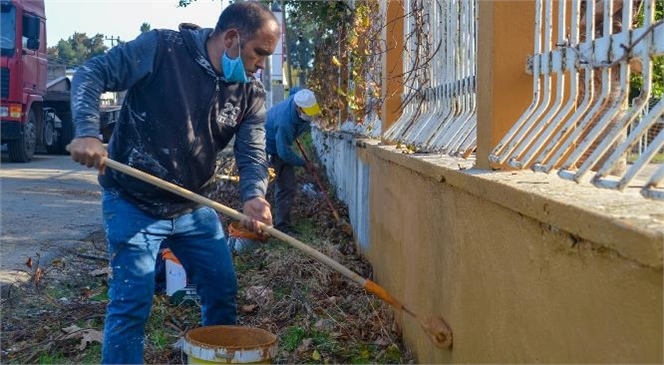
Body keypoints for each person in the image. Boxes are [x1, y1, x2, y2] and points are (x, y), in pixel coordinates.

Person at [67, 2, 279, 363]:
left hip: (193, 206)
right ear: (231, 38)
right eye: (259, 53)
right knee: (131, 305)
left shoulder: (249, 94)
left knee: (221, 288)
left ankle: (214, 356)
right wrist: (88, 133)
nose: (261, 65)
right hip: (133, 202)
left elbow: (252, 153)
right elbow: (91, 73)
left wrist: (254, 197)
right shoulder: (161, 50)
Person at [265, 88, 321, 234]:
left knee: (288, 186)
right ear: (298, 108)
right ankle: (259, 225)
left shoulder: (300, 97)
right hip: (268, 148)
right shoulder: (284, 122)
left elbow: (295, 90)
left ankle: (283, 226)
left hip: (282, 145)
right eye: (307, 111)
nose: (311, 114)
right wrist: (304, 163)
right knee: (264, 187)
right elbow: (283, 153)